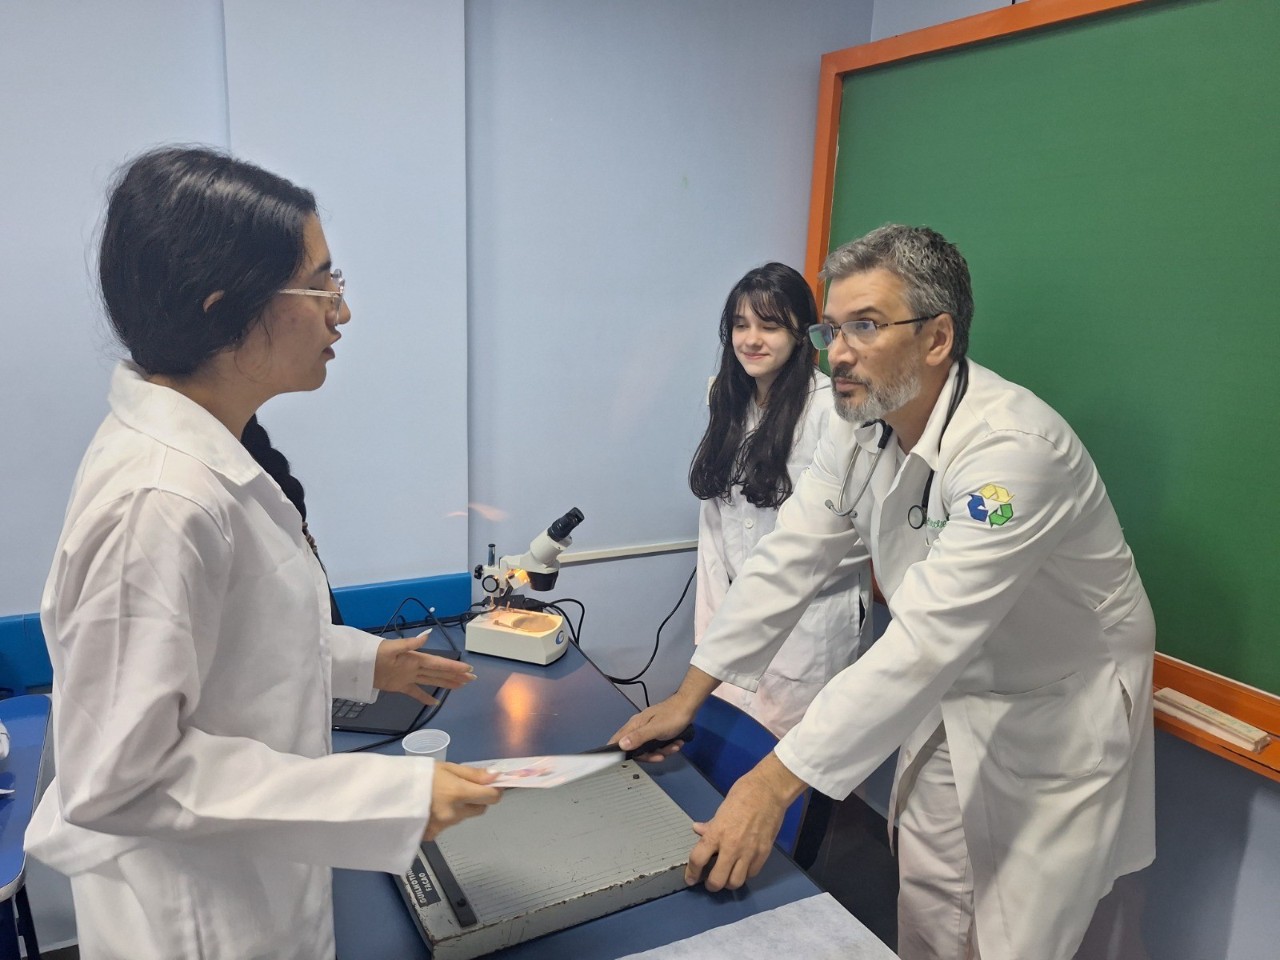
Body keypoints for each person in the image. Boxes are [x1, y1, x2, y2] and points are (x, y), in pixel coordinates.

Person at [615, 225, 1155, 960]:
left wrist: (770, 787)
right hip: (949, 690)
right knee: (929, 906)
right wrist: (689, 695)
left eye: (865, 326)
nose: (838, 352)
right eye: (833, 329)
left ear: (938, 338)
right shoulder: (861, 423)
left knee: (1015, 935)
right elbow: (787, 559)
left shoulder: (1013, 454)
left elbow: (925, 638)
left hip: (1052, 711)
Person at [25, 146, 503, 960]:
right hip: (199, 924)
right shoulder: (160, 499)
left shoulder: (216, 457)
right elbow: (121, 778)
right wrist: (384, 796)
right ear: (224, 312)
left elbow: (231, 646)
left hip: (253, 890)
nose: (341, 311)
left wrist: (363, 662)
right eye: (319, 286)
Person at [690, 262, 870, 737]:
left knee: (791, 759)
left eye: (769, 326)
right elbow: (714, 524)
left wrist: (774, 586)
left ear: (801, 333)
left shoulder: (833, 409)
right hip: (735, 613)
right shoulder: (726, 399)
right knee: (727, 747)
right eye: (740, 325)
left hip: (809, 625)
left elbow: (860, 532)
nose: (751, 340)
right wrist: (711, 632)